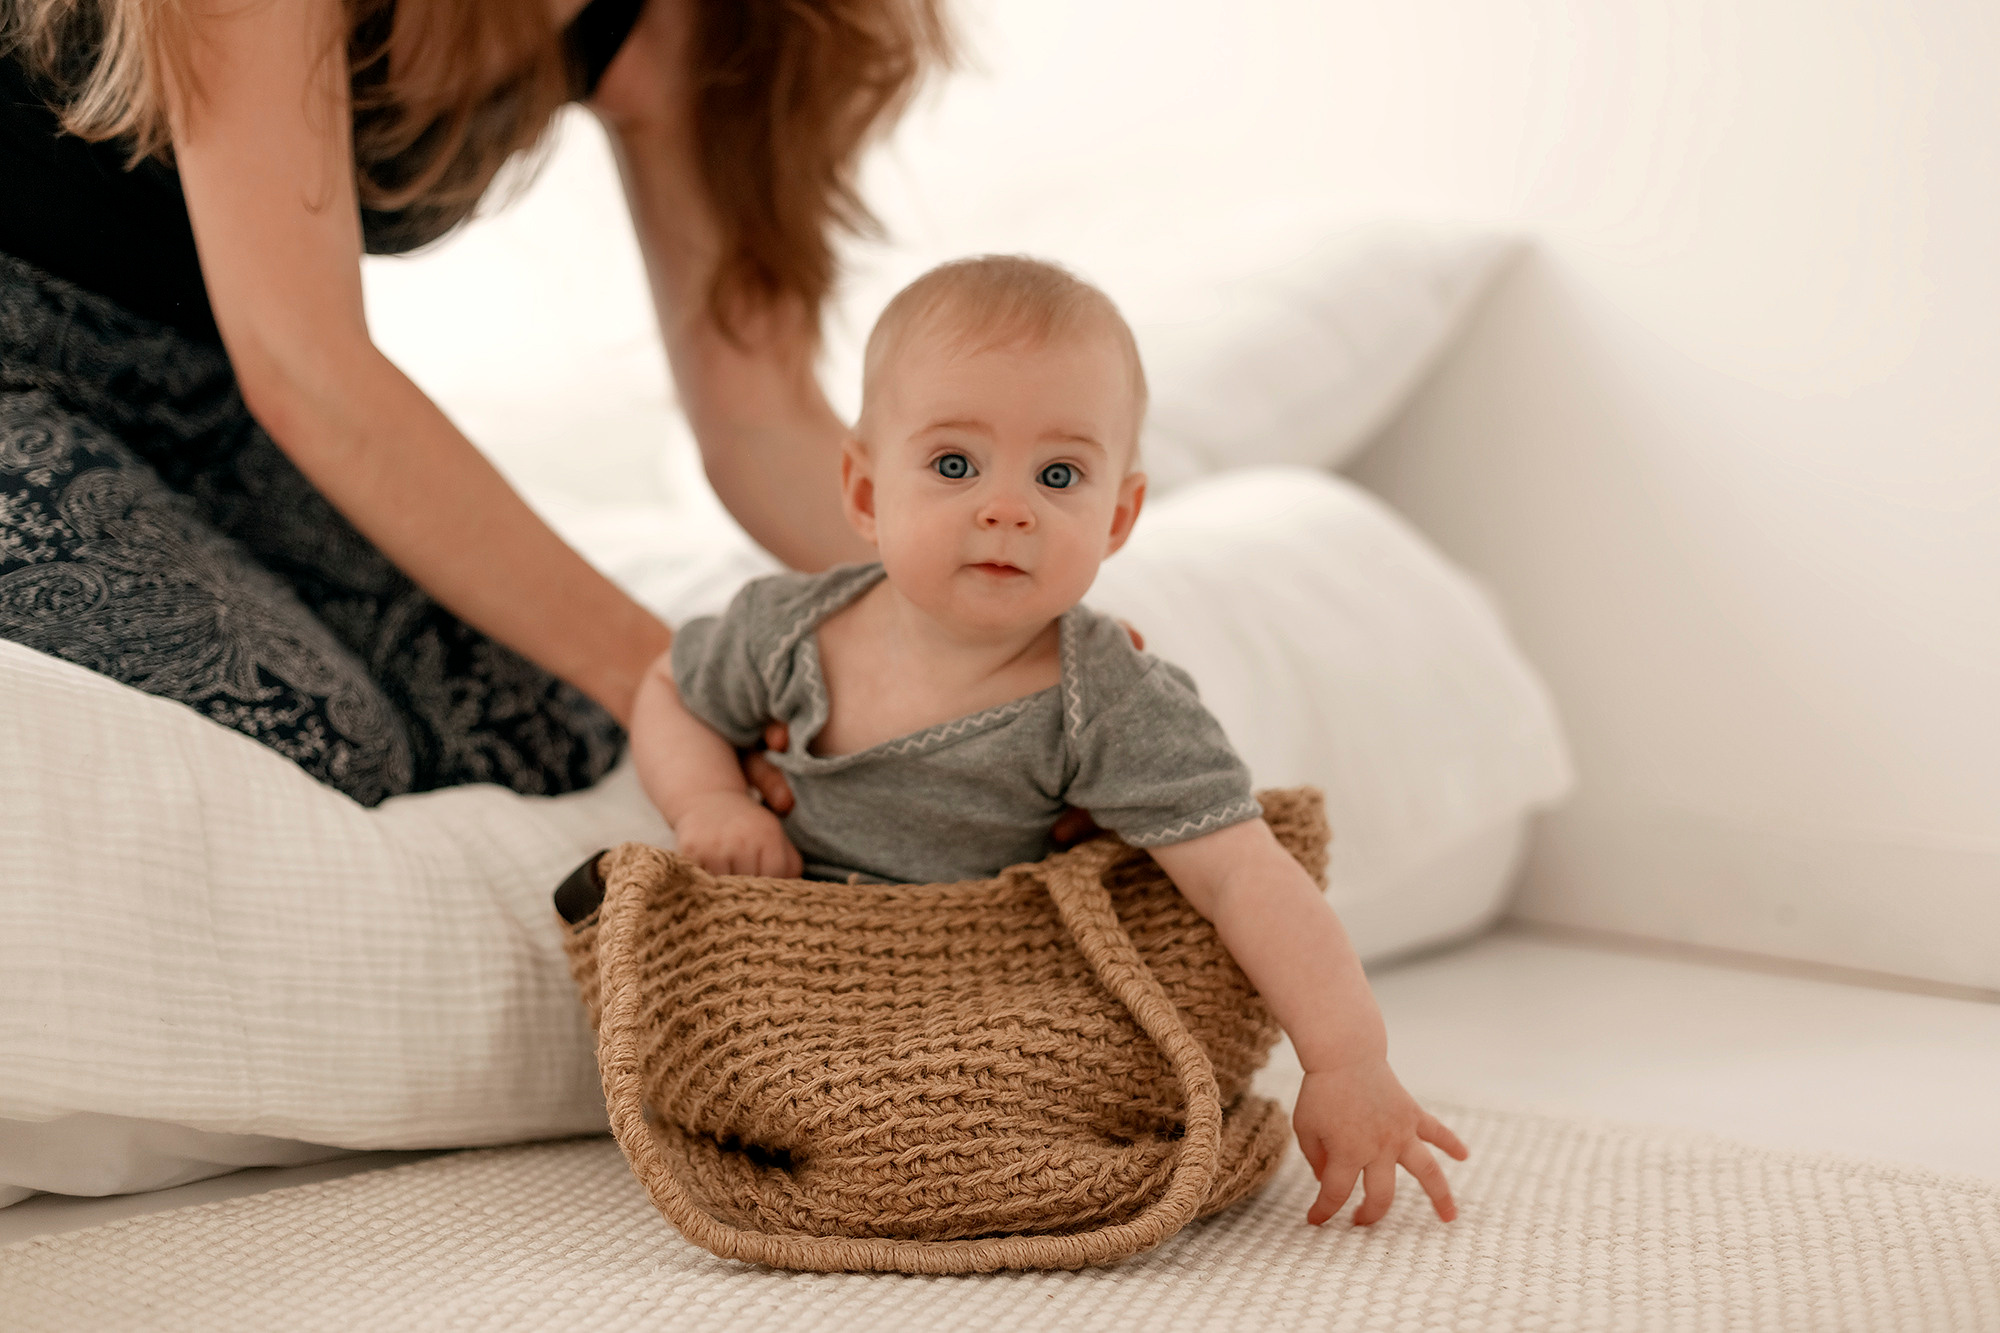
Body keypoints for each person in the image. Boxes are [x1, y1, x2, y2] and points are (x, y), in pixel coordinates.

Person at [635, 254, 1471, 1229]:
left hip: (998, 989)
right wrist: (709, 802)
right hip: (804, 968)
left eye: (1058, 474)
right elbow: (669, 687)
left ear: (1115, 517)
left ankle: (946, 1156)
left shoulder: (1106, 700)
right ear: (864, 492)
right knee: (693, 1036)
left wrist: (1345, 1058)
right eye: (953, 465)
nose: (1006, 506)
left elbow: (1242, 874)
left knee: (1066, 1074)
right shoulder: (785, 631)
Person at [0, 0, 948, 804]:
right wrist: (669, 676)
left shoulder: (671, 23)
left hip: (203, 399)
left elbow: (761, 419)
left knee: (543, 744)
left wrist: (1019, 623)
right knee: (327, 735)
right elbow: (304, 367)